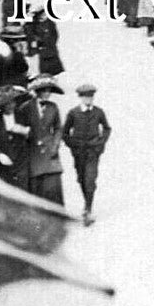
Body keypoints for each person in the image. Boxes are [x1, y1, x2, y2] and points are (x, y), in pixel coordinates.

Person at [62, 82, 112, 226]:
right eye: (85, 97)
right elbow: (65, 133)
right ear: (80, 98)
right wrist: (72, 145)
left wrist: (100, 143)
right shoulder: (73, 113)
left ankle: (88, 209)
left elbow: (107, 128)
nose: (88, 100)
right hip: (78, 153)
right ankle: (87, 203)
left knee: (90, 179)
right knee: (81, 179)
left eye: (90, 97)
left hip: (93, 152)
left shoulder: (98, 112)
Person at [16, 74, 65, 206]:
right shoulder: (25, 108)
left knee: (54, 189)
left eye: (49, 90)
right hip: (34, 154)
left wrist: (55, 145)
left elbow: (58, 128)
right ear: (37, 91)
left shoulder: (53, 107)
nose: (47, 93)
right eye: (44, 90)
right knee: (38, 192)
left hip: (51, 155)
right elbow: (20, 131)